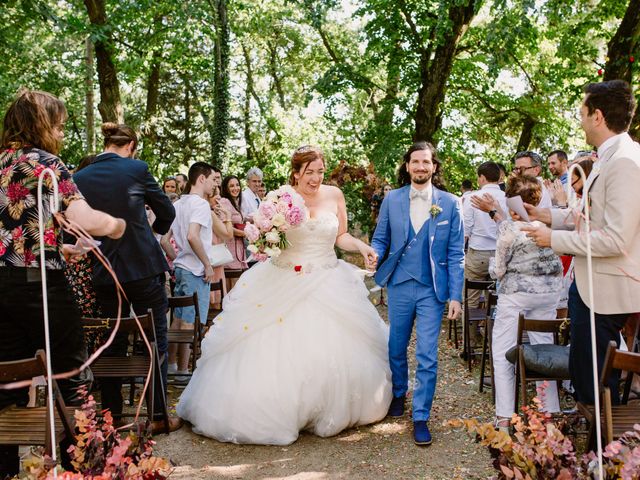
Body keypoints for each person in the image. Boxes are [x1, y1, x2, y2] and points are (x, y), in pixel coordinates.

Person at [176, 145, 391, 445]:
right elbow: (267, 239)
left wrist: (363, 247)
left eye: (319, 172)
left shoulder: (334, 195)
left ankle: (328, 405)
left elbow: (340, 236)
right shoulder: (279, 198)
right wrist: (267, 240)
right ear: (296, 172)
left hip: (328, 276)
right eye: (309, 172)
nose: (315, 178)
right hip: (286, 277)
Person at [0, 90, 126, 476]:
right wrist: (117, 225)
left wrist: (62, 250)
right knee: (72, 375)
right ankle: (81, 469)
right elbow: (85, 216)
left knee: (8, 381)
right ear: (41, 125)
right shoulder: (45, 165)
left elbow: (20, 230)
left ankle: (6, 470)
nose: (61, 133)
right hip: (41, 288)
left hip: (3, 286)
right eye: (57, 125)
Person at [523, 79, 640, 405]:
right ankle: (593, 444)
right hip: (591, 287)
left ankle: (604, 451)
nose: (580, 119)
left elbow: (616, 237)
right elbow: (592, 217)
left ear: (598, 116)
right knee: (585, 374)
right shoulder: (607, 158)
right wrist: (548, 217)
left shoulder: (626, 162)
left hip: (606, 293)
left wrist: (554, 239)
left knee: (596, 382)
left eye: (583, 112)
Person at [73, 122, 182, 433]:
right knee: (155, 341)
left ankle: (110, 415)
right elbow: (166, 211)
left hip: (104, 270)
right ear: (131, 145)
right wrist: (151, 233)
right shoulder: (137, 168)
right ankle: (159, 416)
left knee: (112, 343)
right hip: (143, 267)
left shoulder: (79, 177)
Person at [371, 141, 464, 446]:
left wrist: (455, 295)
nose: (421, 167)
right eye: (415, 162)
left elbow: (455, 253)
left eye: (426, 162)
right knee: (396, 346)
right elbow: (381, 238)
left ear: (434, 166)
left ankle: (421, 415)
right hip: (399, 284)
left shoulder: (450, 203)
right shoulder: (392, 199)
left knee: (427, 354)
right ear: (407, 166)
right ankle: (399, 392)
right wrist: (373, 254)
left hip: (431, 290)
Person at [489, 175, 562, 431]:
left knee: (502, 351)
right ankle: (548, 412)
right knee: (545, 351)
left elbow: (498, 270)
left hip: (516, 295)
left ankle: (504, 417)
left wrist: (493, 267)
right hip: (549, 294)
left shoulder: (510, 229)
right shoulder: (550, 226)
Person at [162, 163, 233, 380]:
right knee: (192, 322)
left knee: (179, 319)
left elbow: (165, 241)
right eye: (213, 180)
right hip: (196, 270)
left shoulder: (178, 204)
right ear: (201, 179)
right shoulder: (201, 205)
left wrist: (178, 260)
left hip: (184, 268)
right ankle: (184, 371)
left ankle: (173, 365)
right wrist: (207, 264)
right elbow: (193, 236)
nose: (215, 185)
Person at [463, 162, 507, 310]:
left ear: (482, 178)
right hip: (501, 252)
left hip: (478, 252)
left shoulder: (473, 197)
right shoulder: (507, 197)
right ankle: (493, 332)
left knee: (471, 299)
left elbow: (466, 229)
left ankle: (473, 333)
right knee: (496, 300)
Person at [220, 175, 248, 283]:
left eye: (237, 185)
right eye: (231, 186)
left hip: (238, 249)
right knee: (232, 286)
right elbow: (226, 226)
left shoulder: (235, 202)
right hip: (230, 250)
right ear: (226, 188)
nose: (235, 188)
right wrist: (245, 233)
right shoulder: (224, 201)